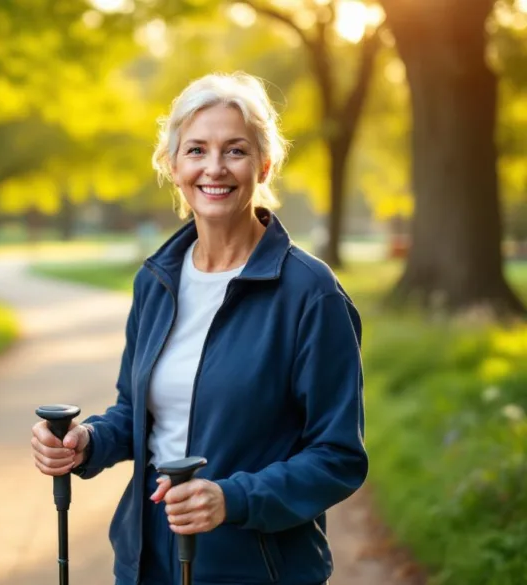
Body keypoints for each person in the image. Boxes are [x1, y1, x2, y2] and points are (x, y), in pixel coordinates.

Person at [30, 71, 367, 585]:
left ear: (264, 165)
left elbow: (338, 456)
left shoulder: (310, 293)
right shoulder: (155, 280)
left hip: (255, 570)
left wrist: (233, 499)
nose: (215, 168)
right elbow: (135, 412)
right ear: (173, 166)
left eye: (235, 150)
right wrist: (87, 441)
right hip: (147, 561)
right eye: (196, 150)